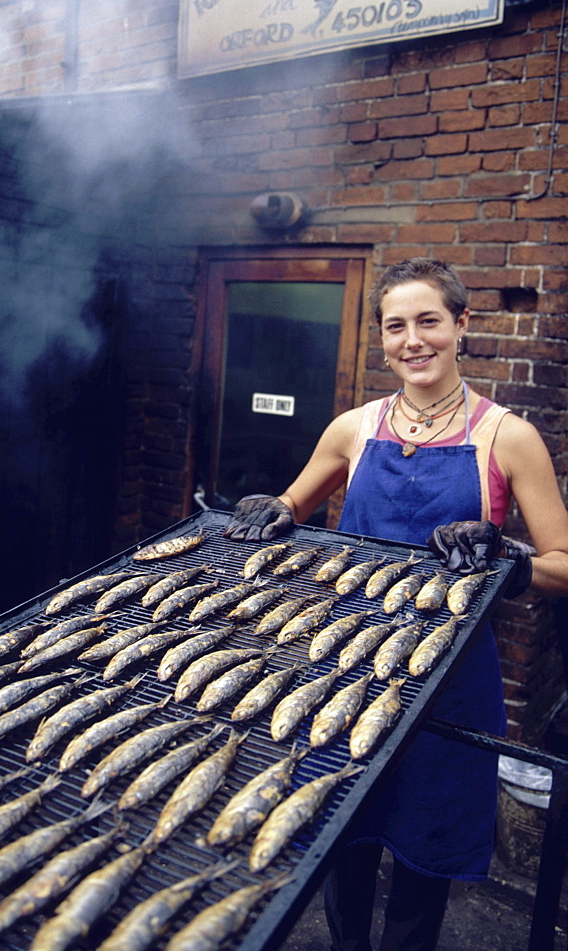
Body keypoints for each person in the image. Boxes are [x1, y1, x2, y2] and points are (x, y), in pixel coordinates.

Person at [224, 257, 568, 951]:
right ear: (381, 337)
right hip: (348, 665)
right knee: (341, 833)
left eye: (429, 321)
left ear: (462, 325)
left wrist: (508, 557)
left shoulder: (508, 437)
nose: (413, 340)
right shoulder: (353, 428)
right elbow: (295, 502)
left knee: (423, 848)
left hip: (450, 684)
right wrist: (276, 506)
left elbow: (565, 563)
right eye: (396, 326)